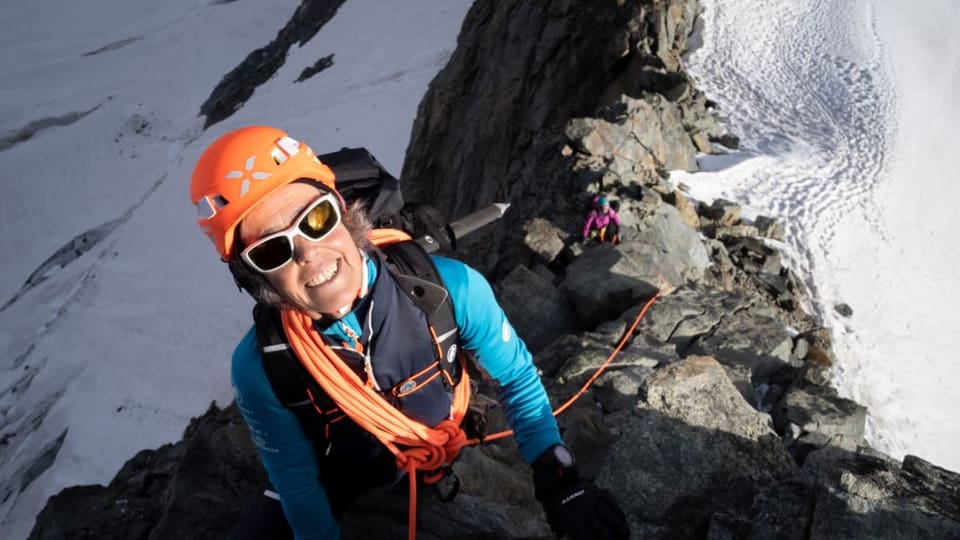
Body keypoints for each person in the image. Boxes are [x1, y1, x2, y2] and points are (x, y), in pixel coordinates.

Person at [189, 126, 629, 540]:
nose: (309, 252)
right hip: (341, 480)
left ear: (342, 210)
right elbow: (296, 479)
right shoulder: (265, 365)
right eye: (272, 249)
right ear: (253, 278)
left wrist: (558, 477)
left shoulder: (449, 289)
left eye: (316, 219)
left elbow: (515, 379)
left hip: (437, 448)